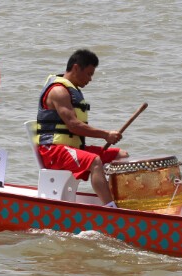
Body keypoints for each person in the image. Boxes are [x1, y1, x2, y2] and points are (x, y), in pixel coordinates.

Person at [35, 49, 129, 207]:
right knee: (95, 161)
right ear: (76, 68)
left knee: (121, 155)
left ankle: (120, 200)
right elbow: (73, 126)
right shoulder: (59, 91)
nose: (90, 79)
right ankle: (111, 209)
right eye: (89, 74)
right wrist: (106, 135)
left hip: (70, 149)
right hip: (53, 151)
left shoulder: (72, 91)